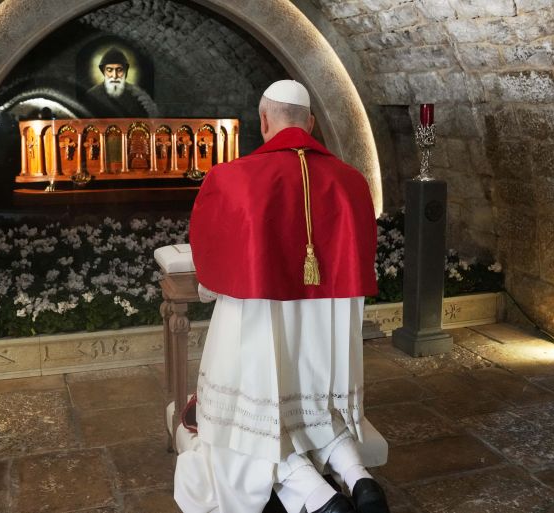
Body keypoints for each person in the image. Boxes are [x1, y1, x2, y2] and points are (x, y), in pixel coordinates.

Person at [174, 80, 389, 513]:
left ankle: (321, 498)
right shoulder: (352, 182)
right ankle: (360, 479)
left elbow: (211, 266)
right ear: (310, 123)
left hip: (259, 324)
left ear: (264, 121)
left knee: (246, 422)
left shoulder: (231, 179)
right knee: (314, 410)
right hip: (326, 331)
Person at [86, 47, 156, 117]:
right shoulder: (91, 95)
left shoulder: (137, 95)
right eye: (109, 70)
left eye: (119, 70)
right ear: (103, 71)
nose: (114, 76)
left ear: (125, 71)